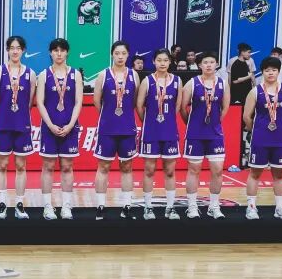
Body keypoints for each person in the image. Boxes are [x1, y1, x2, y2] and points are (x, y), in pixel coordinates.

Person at [243, 57, 282, 220]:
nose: (270, 73)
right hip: (260, 138)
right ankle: (251, 207)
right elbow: (246, 117)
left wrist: (280, 127)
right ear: (263, 72)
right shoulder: (255, 91)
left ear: (278, 72)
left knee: (279, 174)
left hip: (281, 139)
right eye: (267, 70)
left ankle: (279, 207)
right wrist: (256, 130)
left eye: (273, 70)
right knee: (255, 173)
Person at [37, 38, 83, 220]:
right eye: (55, 50)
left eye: (62, 50)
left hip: (69, 126)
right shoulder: (44, 74)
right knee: (48, 166)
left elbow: (78, 102)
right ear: (50, 53)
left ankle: (66, 206)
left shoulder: (75, 74)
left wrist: (71, 125)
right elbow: (40, 102)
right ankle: (47, 206)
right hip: (49, 126)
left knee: (67, 166)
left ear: (67, 52)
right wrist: (50, 124)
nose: (59, 53)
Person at [0, 35, 34, 220]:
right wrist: (2, 114)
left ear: (23, 51)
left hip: (22, 125)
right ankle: (1, 205)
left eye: (18, 48)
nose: (15, 51)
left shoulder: (30, 73)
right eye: (12, 48)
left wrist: (19, 113)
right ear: (7, 50)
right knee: (2, 165)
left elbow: (29, 101)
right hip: (3, 125)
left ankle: (20, 205)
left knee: (21, 166)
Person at [93, 40, 139, 219]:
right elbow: (97, 101)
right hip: (107, 128)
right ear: (112, 54)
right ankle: (100, 205)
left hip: (127, 128)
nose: (120, 57)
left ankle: (127, 205)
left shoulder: (134, 75)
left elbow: (135, 101)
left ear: (128, 55)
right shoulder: (103, 75)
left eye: (123, 53)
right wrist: (108, 116)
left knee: (127, 166)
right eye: (117, 53)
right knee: (103, 166)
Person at [180, 52, 230, 219]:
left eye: (212, 62)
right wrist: (191, 123)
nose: (208, 65)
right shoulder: (192, 83)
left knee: (217, 170)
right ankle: (192, 206)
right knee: (194, 170)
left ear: (216, 64)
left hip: (215, 134)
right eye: (205, 62)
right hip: (195, 133)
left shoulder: (223, 83)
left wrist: (215, 122)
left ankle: (214, 206)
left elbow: (225, 107)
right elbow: (183, 107)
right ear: (200, 65)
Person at [135, 49, 180, 219]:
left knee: (170, 171)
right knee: (149, 170)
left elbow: (177, 106)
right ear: (154, 61)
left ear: (170, 62)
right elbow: (139, 106)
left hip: (169, 132)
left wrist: (167, 120)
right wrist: (148, 122)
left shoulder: (177, 81)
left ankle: (170, 207)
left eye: (165, 60)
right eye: (159, 60)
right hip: (151, 132)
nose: (162, 63)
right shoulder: (147, 81)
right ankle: (148, 207)